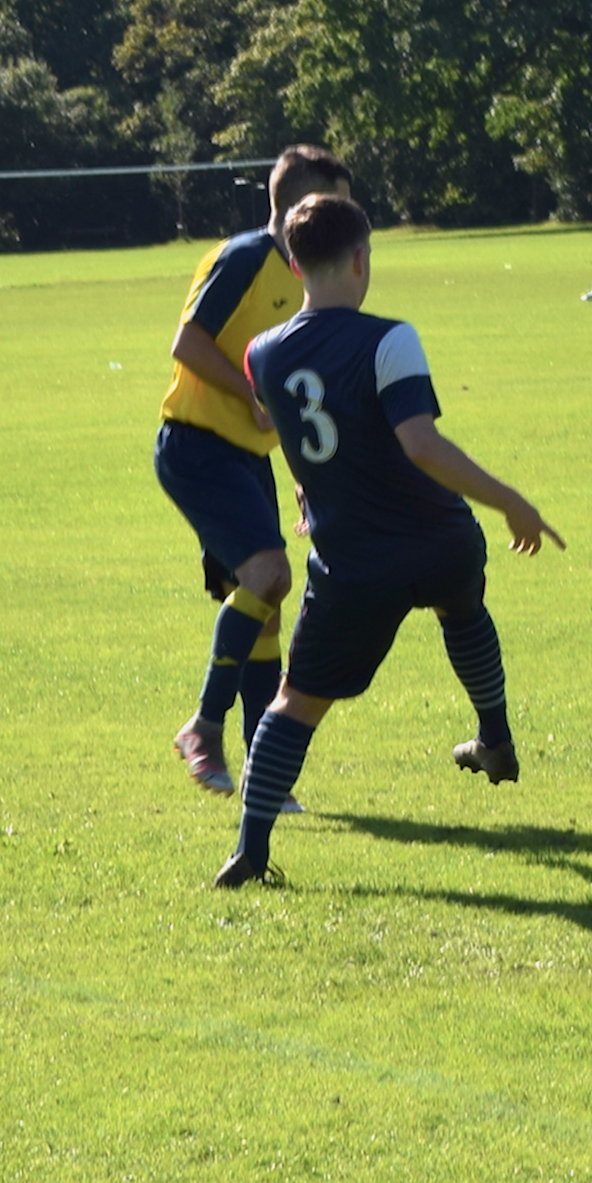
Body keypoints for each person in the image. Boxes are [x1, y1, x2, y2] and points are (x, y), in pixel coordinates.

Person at [214, 193, 565, 888]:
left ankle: (251, 853)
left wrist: (312, 490)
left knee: (296, 703)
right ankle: (494, 733)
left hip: (351, 563)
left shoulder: (260, 353)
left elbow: (296, 434)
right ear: (362, 258)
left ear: (292, 264)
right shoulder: (389, 338)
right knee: (462, 607)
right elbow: (421, 444)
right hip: (438, 537)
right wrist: (510, 501)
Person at [154, 144, 353, 801]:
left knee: (265, 608)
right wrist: (252, 398)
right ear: (301, 207)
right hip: (196, 445)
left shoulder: (301, 280)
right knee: (270, 575)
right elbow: (187, 344)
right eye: (337, 205)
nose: (350, 219)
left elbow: (282, 386)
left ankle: (262, 773)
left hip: (246, 457)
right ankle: (203, 728)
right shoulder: (243, 258)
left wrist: (299, 468)